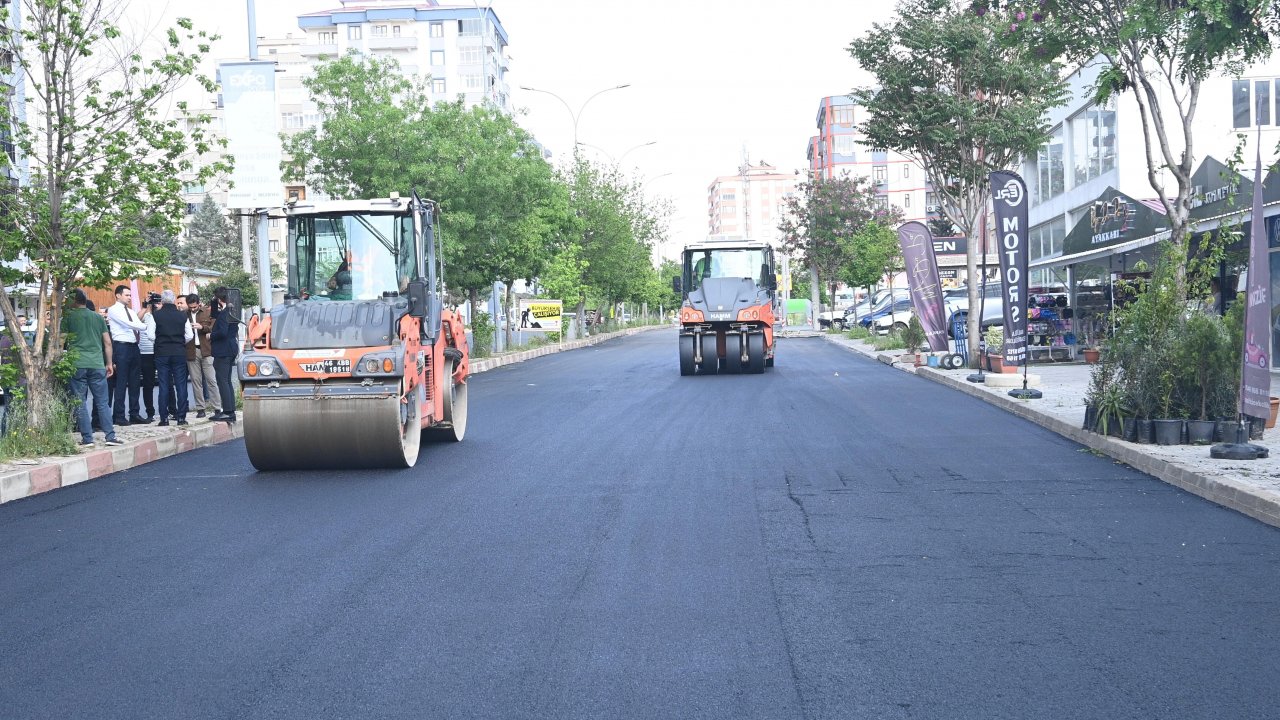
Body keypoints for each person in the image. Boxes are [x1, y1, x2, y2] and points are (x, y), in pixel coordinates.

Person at [63, 289, 122, 447]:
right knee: (102, 402)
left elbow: (60, 342)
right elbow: (107, 342)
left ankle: (87, 438)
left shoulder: (68, 317)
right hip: (97, 363)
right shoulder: (98, 317)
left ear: (73, 300)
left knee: (80, 402)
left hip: (76, 364)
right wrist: (109, 363)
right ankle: (110, 436)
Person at [106, 284, 148, 425]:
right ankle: (119, 415)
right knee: (121, 382)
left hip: (133, 346)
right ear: (118, 295)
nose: (129, 297)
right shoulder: (113, 310)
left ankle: (134, 413)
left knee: (135, 381)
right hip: (121, 346)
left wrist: (144, 311)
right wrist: (146, 327)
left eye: (130, 295)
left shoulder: (130, 311)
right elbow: (129, 324)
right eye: (127, 295)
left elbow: (135, 321)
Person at [150, 289, 192, 427]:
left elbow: (150, 335)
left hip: (162, 352)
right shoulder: (182, 316)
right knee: (181, 385)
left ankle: (164, 418)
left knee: (163, 384)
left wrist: (160, 342)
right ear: (174, 300)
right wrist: (180, 342)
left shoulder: (156, 315)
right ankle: (181, 417)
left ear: (162, 301)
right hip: (179, 352)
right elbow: (189, 335)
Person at [184, 293, 221, 418]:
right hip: (191, 350)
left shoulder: (207, 312)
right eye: (190, 307)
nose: (192, 309)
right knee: (196, 381)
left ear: (199, 303)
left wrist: (202, 327)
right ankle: (200, 408)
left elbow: (214, 328)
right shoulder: (184, 314)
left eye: (194, 307)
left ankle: (217, 407)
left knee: (211, 380)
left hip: (206, 350)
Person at [208, 286, 240, 423]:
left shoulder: (225, 313)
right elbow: (214, 314)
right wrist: (214, 301)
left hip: (223, 350)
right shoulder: (233, 310)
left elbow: (222, 332)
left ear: (220, 299)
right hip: (231, 348)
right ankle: (230, 410)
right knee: (227, 381)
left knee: (222, 381)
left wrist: (211, 336)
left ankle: (227, 412)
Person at [137, 292, 160, 423]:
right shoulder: (144, 314)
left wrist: (157, 307)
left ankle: (169, 410)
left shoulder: (160, 314)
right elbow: (136, 319)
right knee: (148, 384)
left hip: (159, 351)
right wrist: (145, 306)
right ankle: (150, 412)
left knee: (166, 382)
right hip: (145, 352)